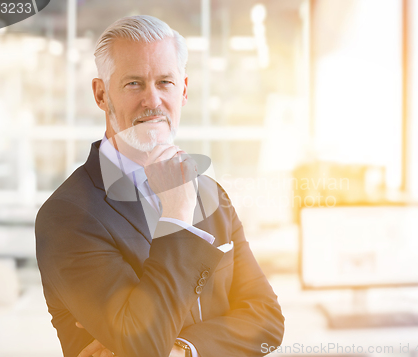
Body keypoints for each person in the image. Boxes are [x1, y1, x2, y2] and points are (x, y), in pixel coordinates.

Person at [35, 15, 284, 357]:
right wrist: (178, 219)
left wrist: (183, 349)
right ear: (101, 94)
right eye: (134, 83)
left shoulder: (211, 194)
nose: (152, 100)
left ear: (183, 91)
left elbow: (267, 322)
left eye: (164, 82)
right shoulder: (67, 215)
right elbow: (144, 345)